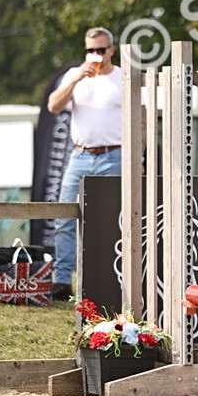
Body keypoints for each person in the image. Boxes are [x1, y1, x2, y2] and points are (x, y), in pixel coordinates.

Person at [46, 27, 123, 301]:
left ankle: (112, 279)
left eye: (100, 50)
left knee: (113, 220)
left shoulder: (122, 77)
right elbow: (53, 106)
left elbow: (142, 117)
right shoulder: (75, 75)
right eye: (90, 50)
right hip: (80, 156)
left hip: (114, 154)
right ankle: (62, 280)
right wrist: (76, 78)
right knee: (64, 217)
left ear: (112, 50)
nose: (95, 55)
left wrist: (139, 156)